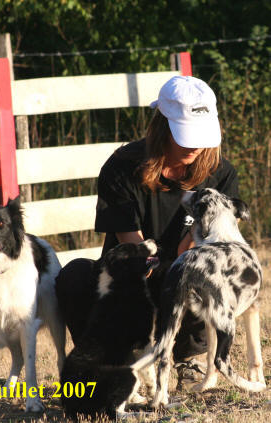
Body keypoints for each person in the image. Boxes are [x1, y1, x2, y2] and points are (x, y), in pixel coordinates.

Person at [55, 75, 239, 390]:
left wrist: (191, 248)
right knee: (74, 276)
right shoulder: (122, 167)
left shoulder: (221, 174)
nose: (195, 146)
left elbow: (217, 248)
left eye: (201, 135)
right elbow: (135, 252)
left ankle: (186, 359)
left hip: (187, 289)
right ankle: (107, 364)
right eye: (186, 135)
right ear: (162, 125)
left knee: (217, 277)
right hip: (133, 284)